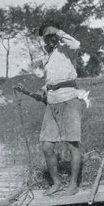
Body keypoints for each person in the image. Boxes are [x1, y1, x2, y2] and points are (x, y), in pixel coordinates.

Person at [38, 20, 83, 196]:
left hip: (70, 98)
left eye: (51, 36)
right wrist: (44, 89)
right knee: (47, 146)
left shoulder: (67, 48)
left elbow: (76, 44)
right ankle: (56, 182)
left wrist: (58, 32)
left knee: (72, 143)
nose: (48, 40)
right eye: (45, 37)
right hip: (52, 101)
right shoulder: (46, 57)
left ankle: (73, 184)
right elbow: (51, 78)